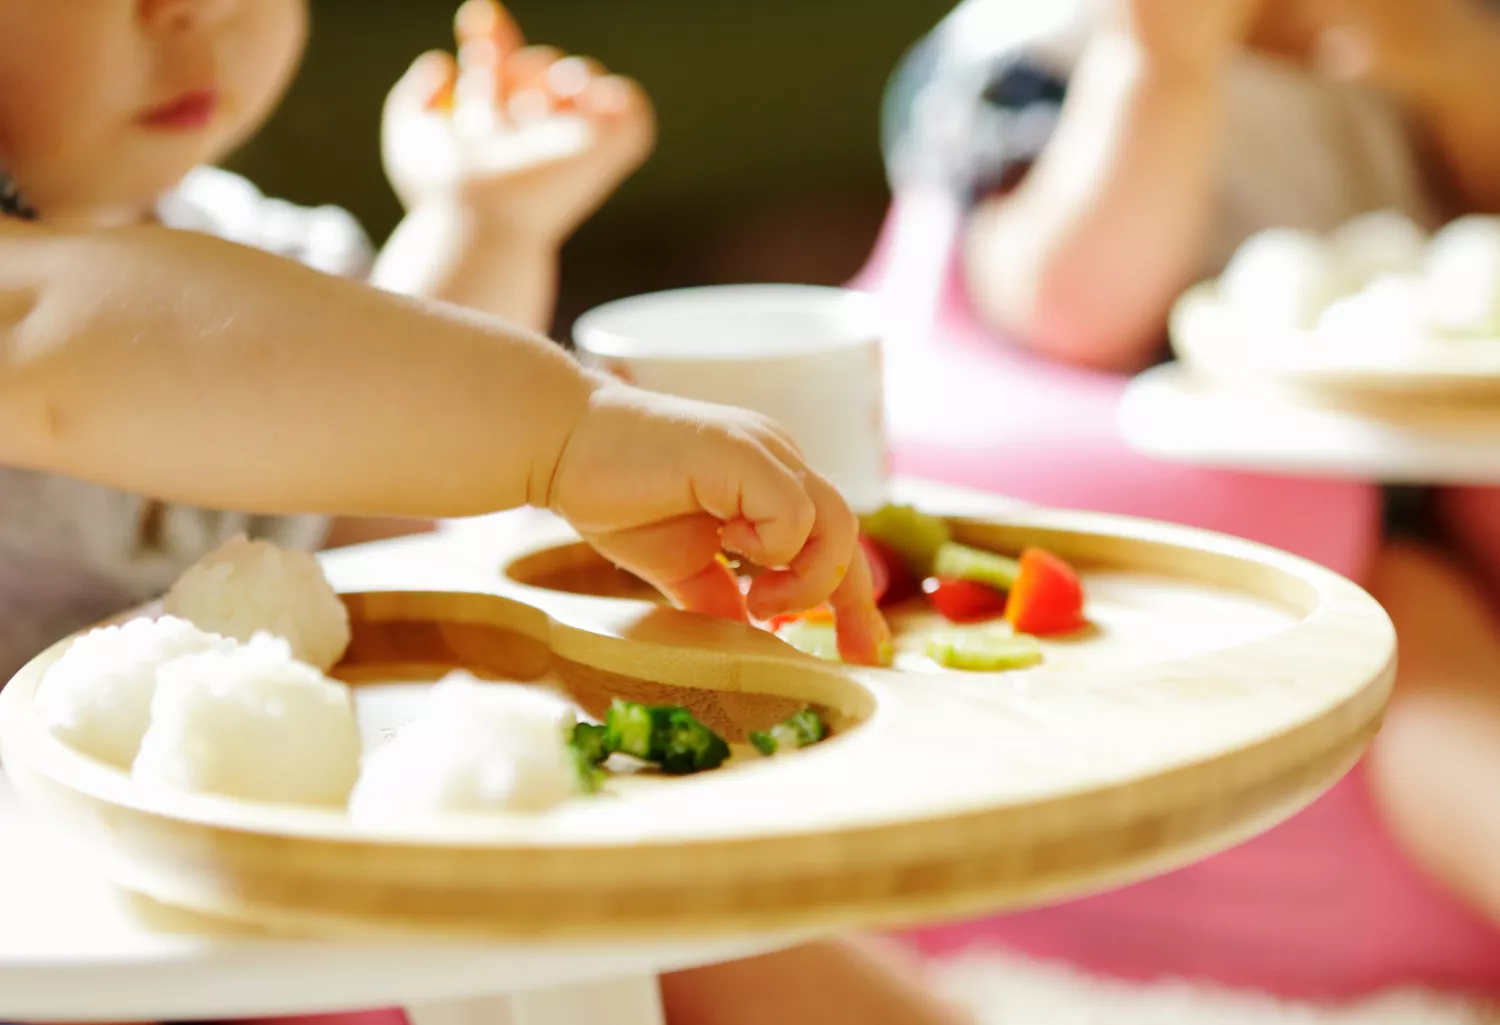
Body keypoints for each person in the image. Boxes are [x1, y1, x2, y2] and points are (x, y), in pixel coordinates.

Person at [0, 4, 982, 1025]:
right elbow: (57, 335)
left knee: (690, 916)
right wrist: (570, 433)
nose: (205, 8)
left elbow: (354, 470)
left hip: (257, 855)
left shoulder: (238, 246)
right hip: (50, 946)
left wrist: (483, 227)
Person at [878, 0, 1500, 1018]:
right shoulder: (1044, 54)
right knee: (1412, 628)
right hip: (1213, 489)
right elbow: (1066, 308)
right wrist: (1163, 61)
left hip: (1439, 430)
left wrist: (1455, 69)